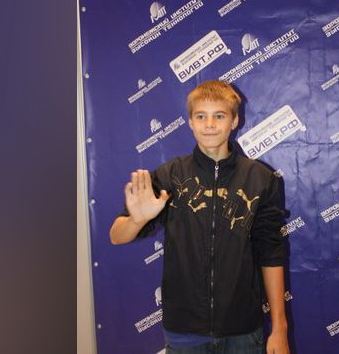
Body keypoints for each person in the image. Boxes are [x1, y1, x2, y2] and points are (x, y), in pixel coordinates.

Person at [110, 80, 289, 354]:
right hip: (184, 331)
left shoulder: (260, 179)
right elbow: (116, 236)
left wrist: (280, 328)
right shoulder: (171, 176)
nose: (210, 125)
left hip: (243, 330)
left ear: (234, 121)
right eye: (201, 116)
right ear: (190, 122)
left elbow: (271, 255)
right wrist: (137, 219)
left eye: (219, 116)